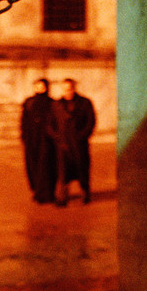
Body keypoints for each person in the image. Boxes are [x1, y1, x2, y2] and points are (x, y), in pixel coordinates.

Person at [48, 78, 96, 206]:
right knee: (63, 172)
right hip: (63, 144)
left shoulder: (85, 103)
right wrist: (57, 137)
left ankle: (85, 193)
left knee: (82, 169)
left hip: (79, 143)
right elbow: (50, 124)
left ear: (74, 88)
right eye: (65, 89)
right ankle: (62, 197)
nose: (68, 91)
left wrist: (83, 135)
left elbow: (90, 122)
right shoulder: (56, 105)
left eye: (70, 88)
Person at [20, 78, 57, 204]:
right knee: (33, 166)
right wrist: (24, 136)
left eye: (42, 87)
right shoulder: (29, 102)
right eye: (37, 87)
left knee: (46, 166)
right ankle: (37, 191)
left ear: (46, 88)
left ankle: (47, 193)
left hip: (46, 140)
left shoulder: (52, 103)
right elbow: (24, 121)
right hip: (32, 140)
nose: (39, 90)